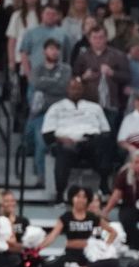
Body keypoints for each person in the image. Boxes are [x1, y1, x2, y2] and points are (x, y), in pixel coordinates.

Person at [42, 78, 112, 202]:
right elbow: (47, 134)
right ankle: (59, 194)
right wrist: (62, 139)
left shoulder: (94, 107)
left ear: (83, 90)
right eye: (73, 88)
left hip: (90, 143)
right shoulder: (56, 108)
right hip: (67, 144)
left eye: (79, 88)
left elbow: (106, 131)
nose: (76, 91)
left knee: (104, 145)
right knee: (62, 154)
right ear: (67, 89)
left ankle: (104, 185)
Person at [38, 185, 121, 267]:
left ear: (87, 200)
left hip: (88, 254)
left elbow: (113, 232)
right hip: (71, 254)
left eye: (84, 197)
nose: (81, 200)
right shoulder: (66, 217)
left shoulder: (92, 217)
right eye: (77, 196)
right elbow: (52, 236)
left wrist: (105, 247)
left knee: (114, 263)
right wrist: (38, 248)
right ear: (72, 198)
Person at [27, 39, 71, 187]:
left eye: (57, 49)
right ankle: (41, 177)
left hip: (62, 114)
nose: (54, 52)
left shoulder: (66, 69)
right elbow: (36, 83)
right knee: (40, 141)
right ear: (45, 51)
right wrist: (54, 83)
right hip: (42, 113)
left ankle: (60, 181)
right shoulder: (37, 69)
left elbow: (64, 87)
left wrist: (46, 85)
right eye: (51, 48)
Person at [73, 25, 131, 120]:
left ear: (106, 38)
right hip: (89, 104)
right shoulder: (82, 57)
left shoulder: (118, 55)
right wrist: (83, 77)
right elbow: (74, 78)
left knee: (109, 133)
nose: (98, 40)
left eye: (101, 37)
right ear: (89, 39)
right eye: (95, 38)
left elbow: (127, 77)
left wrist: (112, 73)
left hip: (112, 104)